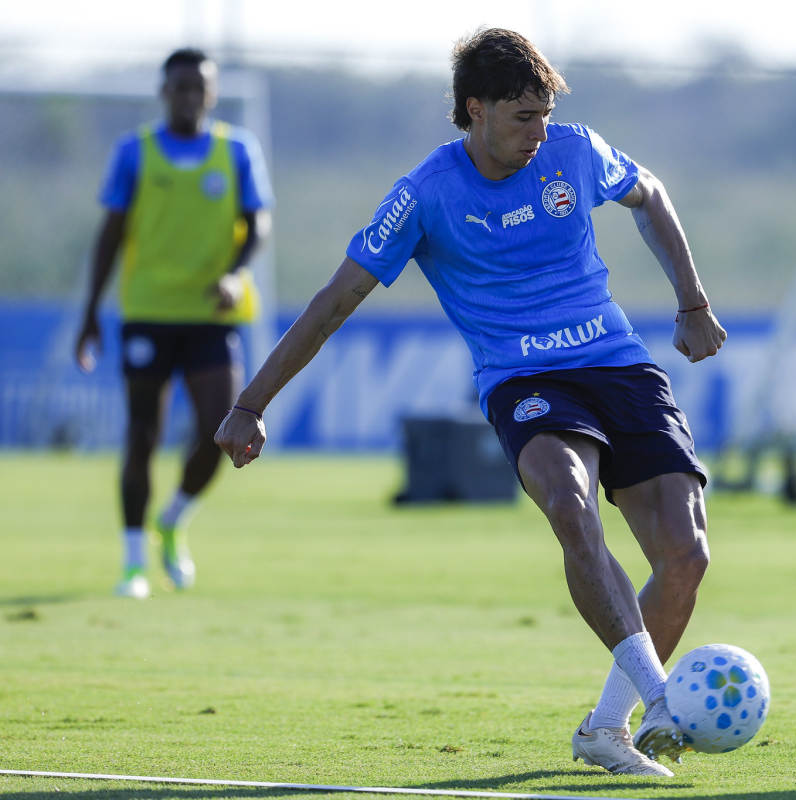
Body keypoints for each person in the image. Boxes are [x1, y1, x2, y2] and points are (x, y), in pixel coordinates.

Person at [213, 28, 725, 777]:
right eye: (523, 118)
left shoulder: (575, 151)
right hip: (524, 382)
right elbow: (334, 300)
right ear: (474, 110)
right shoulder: (424, 194)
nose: (538, 133)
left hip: (617, 364)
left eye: (545, 115)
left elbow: (650, 197)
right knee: (570, 506)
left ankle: (607, 728)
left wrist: (692, 299)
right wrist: (252, 403)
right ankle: (662, 699)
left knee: (685, 556)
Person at [75, 47, 273, 600]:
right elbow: (110, 234)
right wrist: (91, 312)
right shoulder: (134, 154)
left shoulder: (235, 151)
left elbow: (257, 223)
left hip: (213, 315)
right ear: (165, 92)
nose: (189, 96)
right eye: (179, 87)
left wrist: (235, 275)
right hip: (148, 313)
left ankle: (174, 517)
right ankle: (134, 563)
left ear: (210, 94)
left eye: (199, 88)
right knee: (142, 436)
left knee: (221, 431)